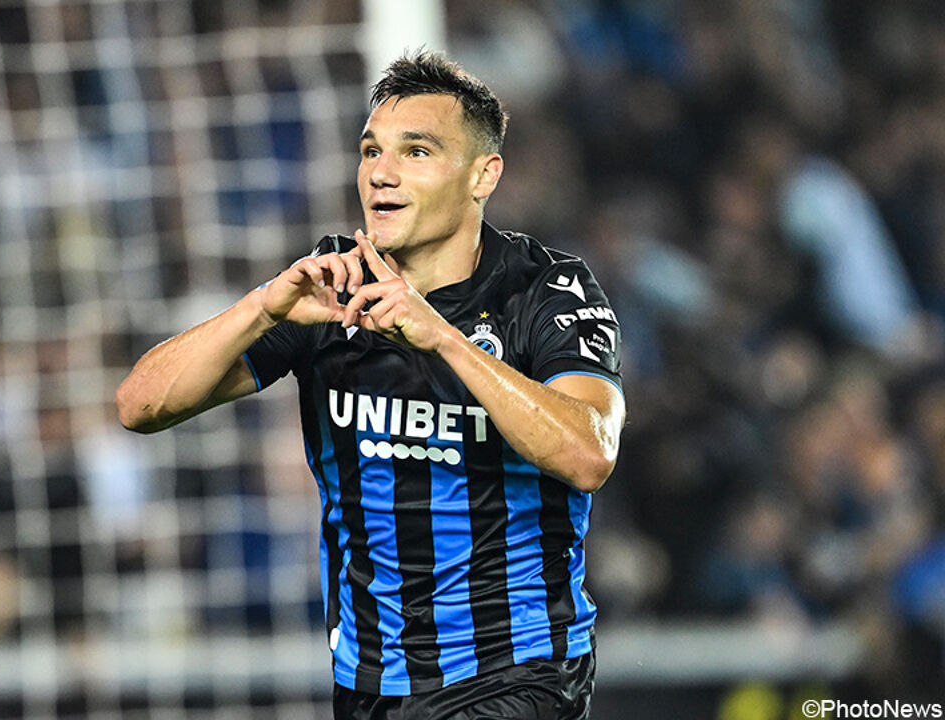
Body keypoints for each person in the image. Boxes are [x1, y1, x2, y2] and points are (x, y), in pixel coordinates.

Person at [117, 50, 625, 720]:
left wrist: (442, 337)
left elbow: (588, 454)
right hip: (368, 683)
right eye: (370, 151)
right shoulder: (331, 289)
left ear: (483, 174)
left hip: (516, 675)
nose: (381, 174)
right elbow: (140, 406)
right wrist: (262, 308)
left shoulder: (545, 289)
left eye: (416, 152)